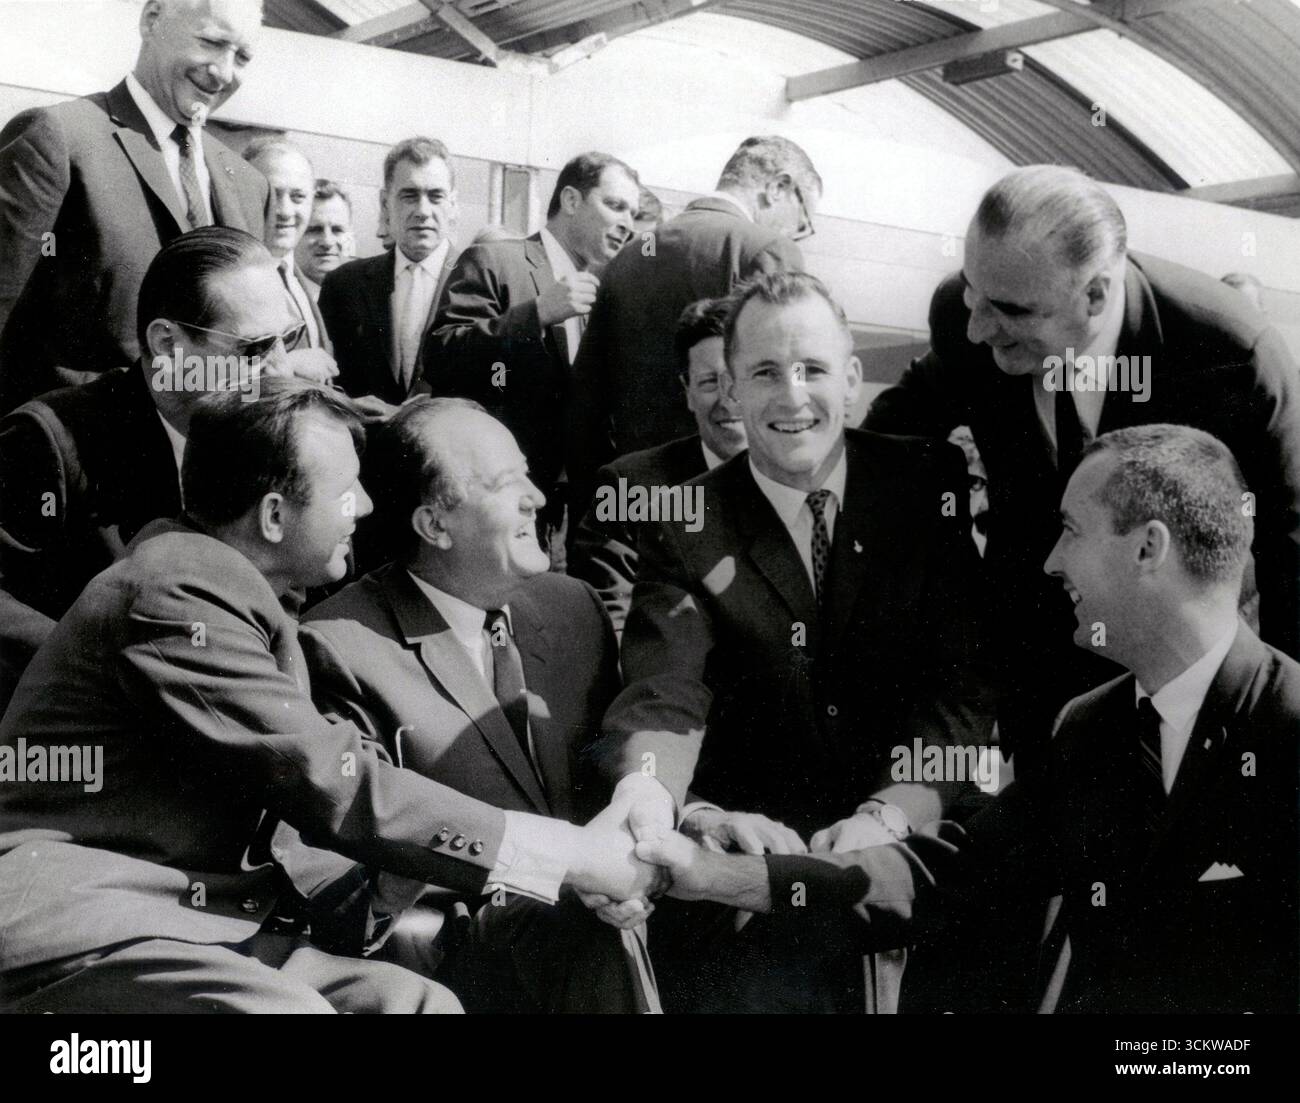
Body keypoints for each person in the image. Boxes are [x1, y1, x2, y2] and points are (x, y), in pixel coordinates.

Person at [0, 377, 661, 1013]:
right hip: (89, 927)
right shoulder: (176, 594)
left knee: (414, 1003)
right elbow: (330, 779)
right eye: (346, 492)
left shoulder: (234, 596)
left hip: (202, 928)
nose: (367, 508)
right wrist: (572, 856)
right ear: (274, 515)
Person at [639, 424, 1300, 1015]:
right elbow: (949, 875)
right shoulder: (1089, 727)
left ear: (1148, 548)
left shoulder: (1287, 727)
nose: (1051, 561)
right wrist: (717, 876)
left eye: (1071, 529)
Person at [590, 272, 995, 1011]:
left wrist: (891, 810)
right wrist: (656, 793)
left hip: (915, 854)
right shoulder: (684, 520)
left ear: (852, 378)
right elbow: (664, 688)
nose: (792, 396)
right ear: (730, 388)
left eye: (812, 368)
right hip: (754, 885)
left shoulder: (922, 481)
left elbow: (962, 685)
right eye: (765, 373)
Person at [864, 164, 1300, 775]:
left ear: (1095, 294)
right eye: (971, 295)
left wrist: (1273, 732)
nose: (978, 327)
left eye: (1009, 310)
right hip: (1036, 663)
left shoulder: (1226, 357)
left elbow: (1290, 546)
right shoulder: (967, 323)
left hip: (1179, 678)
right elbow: (905, 422)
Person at [299, 398, 658, 1012]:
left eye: (528, 474)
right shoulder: (338, 646)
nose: (537, 498)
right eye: (503, 484)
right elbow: (343, 887)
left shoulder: (573, 607)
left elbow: (610, 771)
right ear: (434, 525)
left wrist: (680, 824)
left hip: (604, 932)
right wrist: (561, 874)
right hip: (452, 959)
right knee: (573, 919)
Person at [0, 226, 318, 619]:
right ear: (167, 344)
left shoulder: (266, 430)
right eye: (254, 349)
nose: (281, 370)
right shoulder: (52, 442)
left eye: (289, 338)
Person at [0, 0, 269, 412]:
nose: (224, 72)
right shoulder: (59, 139)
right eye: (212, 42)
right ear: (151, 20)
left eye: (243, 57)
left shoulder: (249, 183)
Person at [566, 135, 820, 517]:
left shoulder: (628, 255)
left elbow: (586, 396)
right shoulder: (767, 250)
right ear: (778, 188)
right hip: (727, 504)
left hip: (635, 498)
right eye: (802, 223)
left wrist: (595, 506)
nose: (795, 234)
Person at [427, 152, 641, 566]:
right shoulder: (495, 260)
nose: (627, 223)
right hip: (498, 511)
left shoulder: (603, 294)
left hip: (572, 517)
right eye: (615, 205)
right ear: (571, 200)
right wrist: (536, 314)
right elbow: (442, 354)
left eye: (632, 212)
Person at [569, 297, 746, 633]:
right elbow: (609, 622)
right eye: (709, 382)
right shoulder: (629, 487)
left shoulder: (813, 482)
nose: (727, 401)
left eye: (740, 380)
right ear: (687, 391)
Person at [318, 137, 460, 405]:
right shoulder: (344, 284)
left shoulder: (480, 282)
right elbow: (326, 379)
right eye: (409, 195)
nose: (423, 211)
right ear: (385, 203)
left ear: (452, 204)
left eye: (436, 196)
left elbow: (498, 380)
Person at [242, 137, 334, 360]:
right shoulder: (228, 278)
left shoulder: (296, 278)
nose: (284, 210)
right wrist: (289, 364)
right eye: (271, 194)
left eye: (297, 196)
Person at [296, 180, 354, 300]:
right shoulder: (276, 296)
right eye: (315, 229)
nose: (327, 242)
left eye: (337, 230)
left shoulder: (366, 295)